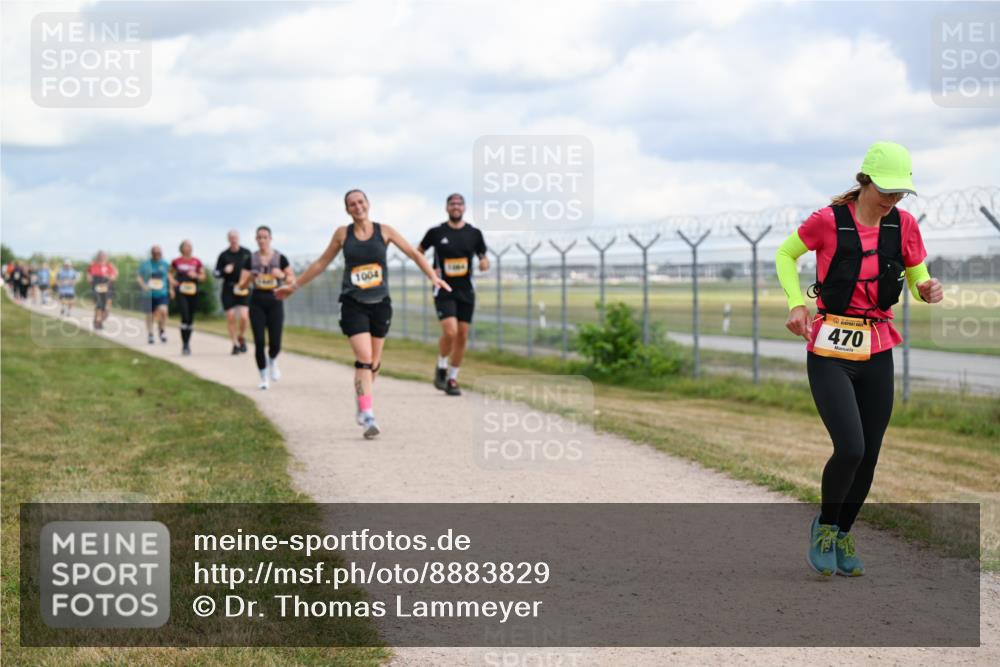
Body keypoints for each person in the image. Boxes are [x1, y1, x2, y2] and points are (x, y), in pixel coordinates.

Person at [775, 141, 943, 577]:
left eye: (901, 192)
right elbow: (785, 254)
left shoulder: (903, 224)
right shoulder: (828, 221)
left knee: (870, 453)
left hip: (878, 347)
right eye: (887, 189)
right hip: (830, 349)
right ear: (864, 180)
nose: (893, 199)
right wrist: (796, 302)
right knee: (849, 446)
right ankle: (825, 528)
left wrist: (926, 288)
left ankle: (845, 531)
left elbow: (917, 271)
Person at [276, 189, 450, 438]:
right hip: (352, 303)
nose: (357, 206)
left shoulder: (385, 231)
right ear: (347, 210)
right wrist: (294, 286)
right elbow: (321, 263)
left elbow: (414, 253)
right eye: (352, 204)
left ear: (368, 204)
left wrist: (433, 277)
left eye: (361, 202)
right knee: (365, 358)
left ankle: (362, 400)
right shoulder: (342, 234)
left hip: (380, 303)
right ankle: (368, 415)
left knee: (375, 363)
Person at [417, 193, 489, 396]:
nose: (456, 207)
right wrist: (431, 272)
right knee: (451, 332)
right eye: (452, 204)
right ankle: (441, 366)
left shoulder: (474, 233)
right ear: (446, 208)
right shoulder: (435, 232)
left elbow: (483, 256)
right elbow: (418, 253)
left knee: (462, 336)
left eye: (459, 204)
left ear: (464, 208)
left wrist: (484, 262)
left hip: (466, 291)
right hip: (443, 289)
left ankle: (453, 378)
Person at [237, 226, 295, 389]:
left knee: (275, 342)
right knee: (259, 341)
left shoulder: (280, 258)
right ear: (256, 240)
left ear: (270, 239)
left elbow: (292, 280)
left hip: (275, 300)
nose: (262, 240)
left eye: (265, 237)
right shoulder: (250, 260)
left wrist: (282, 276)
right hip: (256, 301)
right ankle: (263, 376)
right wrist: (248, 279)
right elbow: (241, 286)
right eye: (259, 237)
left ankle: (273, 360)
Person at [215, 230, 253, 355]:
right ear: (228, 239)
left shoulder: (246, 253)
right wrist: (224, 270)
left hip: (243, 288)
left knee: (244, 316)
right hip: (229, 289)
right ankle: (235, 344)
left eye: (235, 237)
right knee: (231, 317)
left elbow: (254, 269)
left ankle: (241, 336)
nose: (233, 239)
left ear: (239, 238)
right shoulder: (224, 255)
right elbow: (216, 273)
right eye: (231, 237)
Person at [169, 240, 206, 356]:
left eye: (189, 246)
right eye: (185, 246)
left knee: (190, 318)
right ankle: (184, 344)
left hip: (193, 292)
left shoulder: (197, 261)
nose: (187, 248)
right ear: (181, 248)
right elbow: (169, 273)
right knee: (184, 315)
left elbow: (203, 276)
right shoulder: (176, 261)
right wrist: (172, 282)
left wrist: (196, 275)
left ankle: (187, 342)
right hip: (181, 291)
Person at [137, 245, 170, 344]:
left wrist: (172, 288)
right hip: (149, 294)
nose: (157, 255)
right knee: (150, 315)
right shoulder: (145, 264)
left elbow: (169, 276)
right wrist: (143, 286)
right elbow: (139, 277)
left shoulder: (165, 264)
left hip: (161, 293)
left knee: (163, 311)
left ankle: (162, 330)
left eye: (159, 253)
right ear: (151, 253)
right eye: (155, 253)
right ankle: (151, 334)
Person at [86, 251, 118, 330]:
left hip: (108, 285)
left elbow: (115, 274)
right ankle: (98, 322)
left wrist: (111, 277)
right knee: (99, 305)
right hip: (97, 284)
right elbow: (88, 274)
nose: (102, 257)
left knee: (106, 307)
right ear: (98, 256)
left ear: (106, 257)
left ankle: (99, 320)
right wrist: (89, 278)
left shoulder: (109, 265)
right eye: (100, 256)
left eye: (104, 256)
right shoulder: (93, 265)